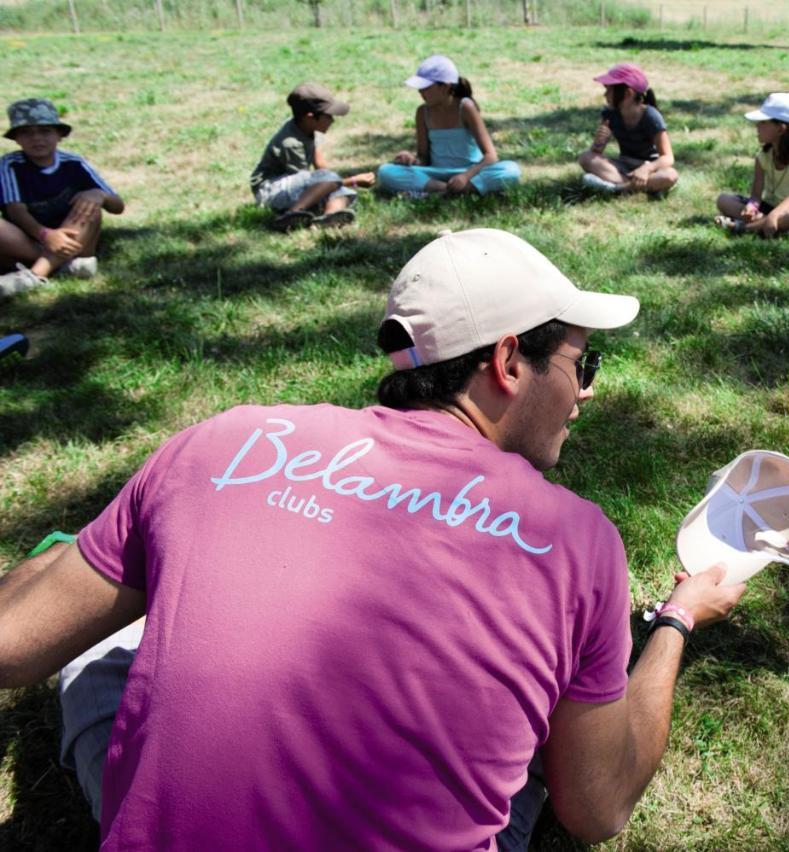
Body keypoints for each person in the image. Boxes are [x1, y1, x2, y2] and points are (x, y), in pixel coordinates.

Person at [0, 229, 746, 849]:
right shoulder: (577, 540)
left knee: (101, 657)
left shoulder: (219, 441)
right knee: (563, 716)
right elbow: (601, 807)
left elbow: (12, 644)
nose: (584, 392)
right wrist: (679, 620)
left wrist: (83, 555)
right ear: (508, 361)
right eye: (584, 364)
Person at [0, 98, 124, 296]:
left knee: (90, 204)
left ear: (59, 135)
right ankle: (68, 265)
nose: (37, 139)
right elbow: (16, 210)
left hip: (74, 236)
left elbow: (118, 206)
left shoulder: (74, 163)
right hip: (30, 238)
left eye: (45, 131)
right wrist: (46, 235)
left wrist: (99, 195)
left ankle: (35, 274)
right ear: (16, 139)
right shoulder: (10, 164)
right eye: (26, 133)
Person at [375, 55, 522, 198]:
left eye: (425, 87)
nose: (420, 92)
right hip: (435, 174)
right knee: (386, 171)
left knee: (511, 170)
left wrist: (465, 177)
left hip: (469, 173)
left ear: (444, 87)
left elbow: (491, 156)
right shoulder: (422, 112)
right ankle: (448, 190)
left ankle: (436, 192)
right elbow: (423, 158)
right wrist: (411, 160)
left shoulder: (465, 107)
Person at [250, 82, 370, 232]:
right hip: (270, 190)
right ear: (310, 117)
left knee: (342, 192)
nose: (332, 120)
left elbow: (319, 164)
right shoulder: (291, 143)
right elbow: (308, 184)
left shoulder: (308, 128)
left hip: (293, 184)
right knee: (332, 181)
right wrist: (352, 181)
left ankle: (329, 218)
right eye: (328, 116)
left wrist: (334, 183)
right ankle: (291, 215)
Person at [714, 93, 789, 238]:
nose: (757, 126)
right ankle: (766, 223)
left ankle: (742, 227)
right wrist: (752, 206)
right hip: (768, 206)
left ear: (781, 129)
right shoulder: (762, 156)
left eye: (763, 123)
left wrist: (775, 214)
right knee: (723, 200)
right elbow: (756, 196)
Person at [577, 63, 679, 195]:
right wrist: (598, 142)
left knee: (670, 176)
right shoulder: (610, 114)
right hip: (624, 165)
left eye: (609, 89)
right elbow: (596, 152)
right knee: (586, 158)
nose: (605, 94)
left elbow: (668, 157)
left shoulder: (651, 116)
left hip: (650, 166)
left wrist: (646, 169)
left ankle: (616, 187)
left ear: (627, 93)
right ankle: (634, 187)